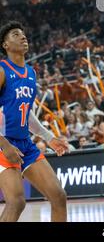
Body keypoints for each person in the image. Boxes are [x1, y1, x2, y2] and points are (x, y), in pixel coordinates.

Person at [0, 21, 69, 222]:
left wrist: (48, 137)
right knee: (16, 202)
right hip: (3, 144)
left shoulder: (31, 73)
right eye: (15, 34)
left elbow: (26, 113)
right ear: (5, 45)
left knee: (58, 196)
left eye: (23, 34)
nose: (23, 37)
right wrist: (5, 146)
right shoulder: (2, 71)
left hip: (25, 145)